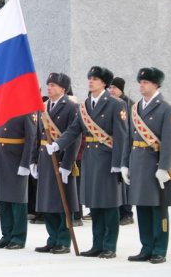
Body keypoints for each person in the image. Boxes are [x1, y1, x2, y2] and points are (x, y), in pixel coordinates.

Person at [46, 66, 128, 259]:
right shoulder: (85, 105)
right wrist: (58, 145)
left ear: (104, 83)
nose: (91, 81)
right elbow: (74, 130)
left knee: (109, 205)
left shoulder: (116, 104)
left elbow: (121, 136)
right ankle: (97, 244)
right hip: (91, 160)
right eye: (90, 78)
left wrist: (119, 163)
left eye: (95, 79)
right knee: (95, 204)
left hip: (108, 160)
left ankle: (109, 246)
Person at [121, 68, 171, 264]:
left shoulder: (167, 108)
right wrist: (125, 165)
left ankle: (159, 249)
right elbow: (128, 138)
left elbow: (170, 141)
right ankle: (146, 247)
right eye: (140, 81)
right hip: (138, 164)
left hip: (155, 166)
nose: (141, 85)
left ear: (156, 84)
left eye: (145, 82)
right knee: (142, 209)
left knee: (158, 210)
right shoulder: (135, 108)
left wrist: (164, 167)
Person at [32, 73, 80, 254]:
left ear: (62, 88)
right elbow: (38, 136)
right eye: (48, 84)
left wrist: (67, 164)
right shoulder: (43, 106)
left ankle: (63, 240)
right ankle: (52, 238)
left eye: (53, 85)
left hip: (60, 159)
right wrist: (33, 160)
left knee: (62, 202)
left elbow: (74, 137)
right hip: (45, 158)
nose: (49, 88)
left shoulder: (71, 107)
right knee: (47, 201)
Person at [0, 114, 35, 250]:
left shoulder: (26, 111)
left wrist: (26, 163)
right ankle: (6, 236)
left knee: (17, 199)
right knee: (3, 198)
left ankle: (18, 238)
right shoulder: (1, 109)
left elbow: (31, 138)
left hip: (15, 158)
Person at [109, 77, 135, 226]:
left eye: (115, 88)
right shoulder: (110, 103)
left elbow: (129, 130)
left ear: (121, 89)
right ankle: (117, 211)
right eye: (110, 87)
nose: (112, 90)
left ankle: (127, 213)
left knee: (125, 182)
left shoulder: (129, 104)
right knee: (115, 182)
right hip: (112, 147)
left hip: (127, 147)